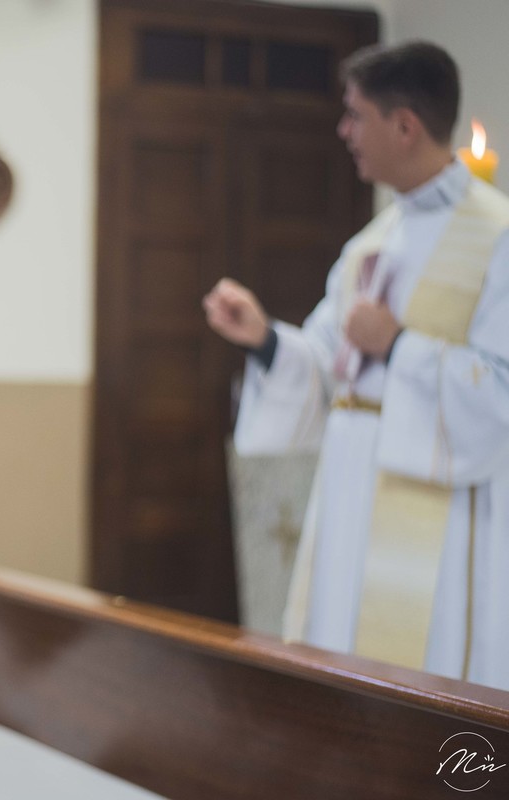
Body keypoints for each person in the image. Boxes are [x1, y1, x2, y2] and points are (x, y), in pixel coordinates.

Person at [203, 41, 509, 687]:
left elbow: (499, 391)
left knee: (424, 678)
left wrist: (399, 344)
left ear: (404, 126)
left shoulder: (497, 238)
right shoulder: (374, 241)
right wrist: (262, 338)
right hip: (351, 492)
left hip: (440, 512)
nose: (344, 131)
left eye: (355, 114)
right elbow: (327, 366)